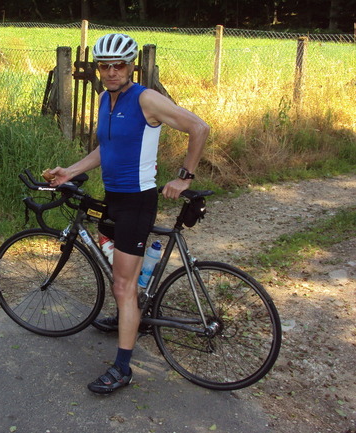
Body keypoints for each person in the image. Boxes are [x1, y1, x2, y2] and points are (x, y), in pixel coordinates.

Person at [48, 33, 209, 394]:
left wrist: (184, 177)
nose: (111, 72)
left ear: (131, 66)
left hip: (138, 200)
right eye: (104, 66)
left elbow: (199, 128)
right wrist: (70, 171)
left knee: (123, 285)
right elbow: (105, 149)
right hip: (115, 198)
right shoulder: (105, 98)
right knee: (122, 279)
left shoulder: (145, 99)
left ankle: (122, 368)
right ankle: (130, 315)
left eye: (118, 65)